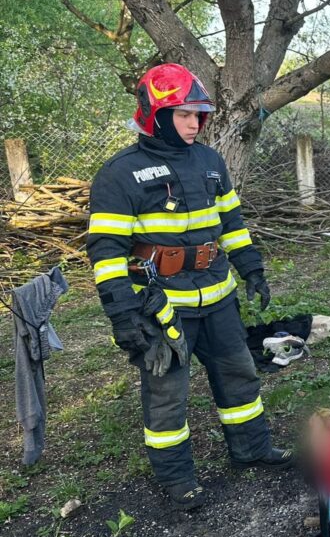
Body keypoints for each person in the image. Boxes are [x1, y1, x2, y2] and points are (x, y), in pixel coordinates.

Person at [86, 63, 291, 512]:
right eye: (184, 114)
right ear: (156, 115)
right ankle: (177, 479)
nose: (195, 123)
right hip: (162, 308)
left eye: (199, 115)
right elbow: (105, 251)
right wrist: (123, 316)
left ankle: (252, 449)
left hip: (218, 297)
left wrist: (252, 269)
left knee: (239, 376)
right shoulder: (120, 173)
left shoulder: (210, 162)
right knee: (167, 397)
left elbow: (231, 223)